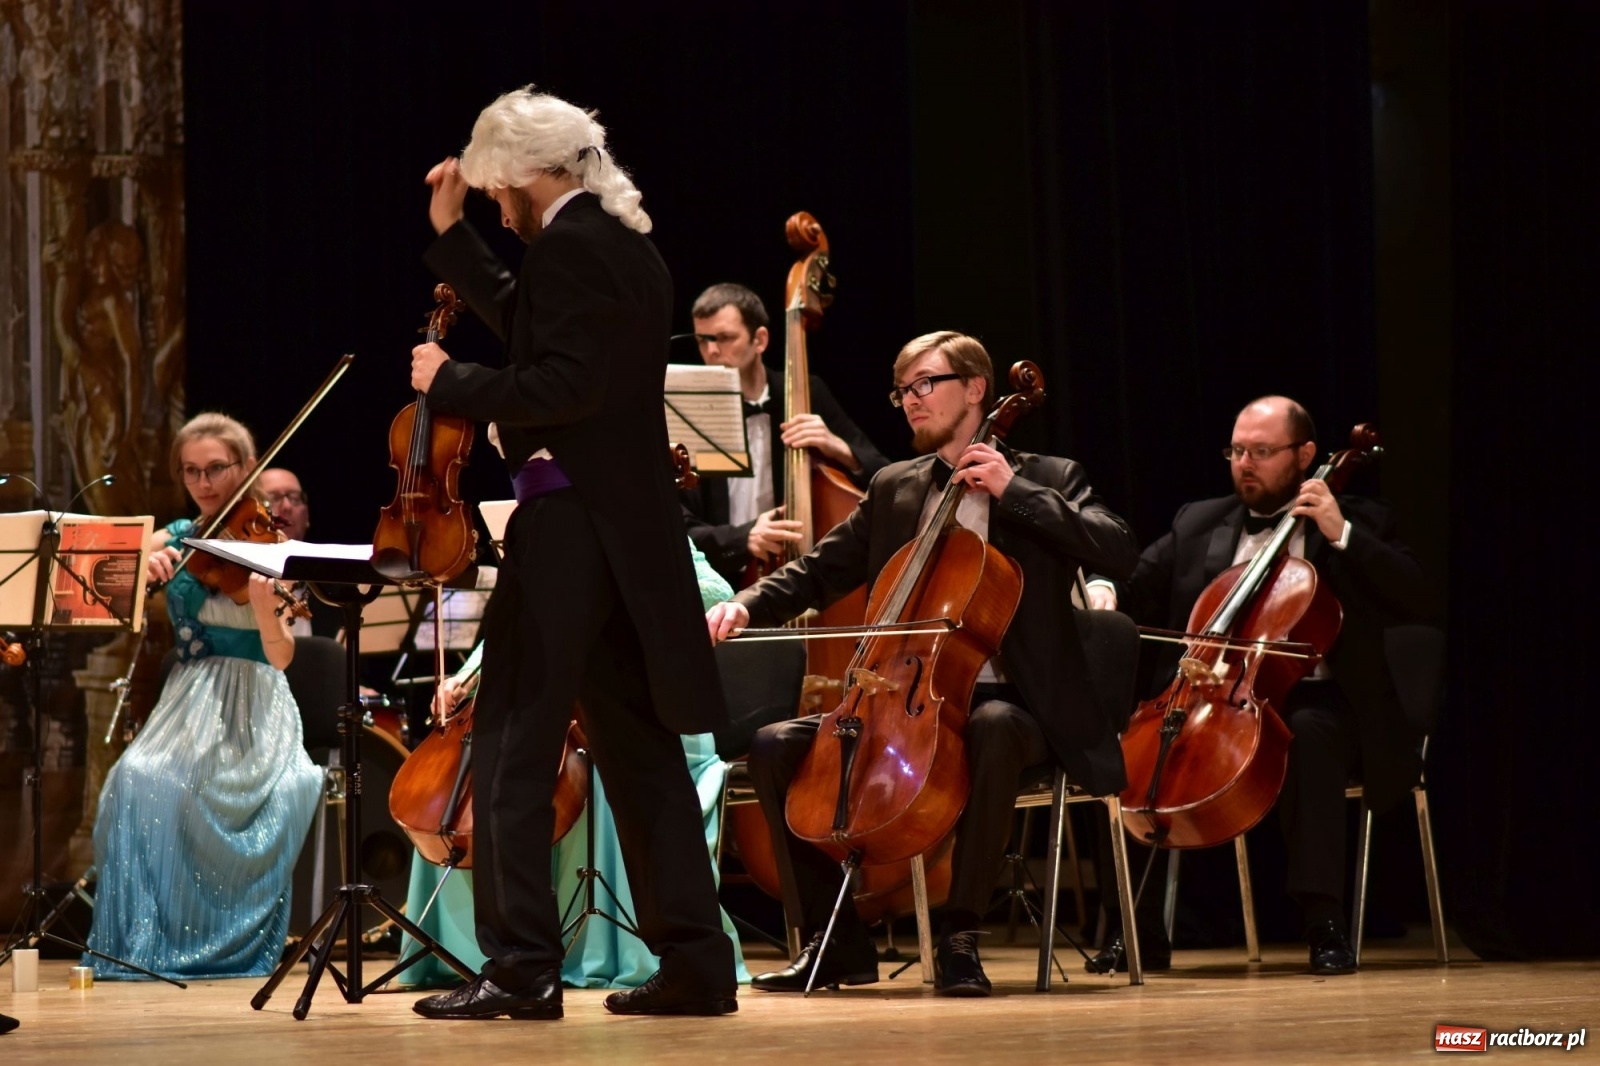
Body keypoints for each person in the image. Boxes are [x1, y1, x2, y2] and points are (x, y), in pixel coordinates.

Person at [409, 86, 736, 1021]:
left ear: (522, 171)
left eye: (491, 189)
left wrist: (453, 379)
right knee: (641, 751)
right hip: (624, 536)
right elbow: (531, 319)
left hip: (567, 528)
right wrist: (452, 236)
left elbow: (562, 381)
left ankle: (520, 968)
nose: (494, 204)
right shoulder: (613, 245)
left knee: (513, 738)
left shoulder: (573, 246)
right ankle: (696, 963)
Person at [706, 331, 1140, 996]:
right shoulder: (895, 487)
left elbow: (1118, 549)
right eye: (901, 390)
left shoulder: (1051, 476)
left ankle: (961, 936)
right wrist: (744, 604)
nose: (909, 401)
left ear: (974, 389)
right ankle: (838, 944)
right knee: (772, 747)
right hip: (902, 702)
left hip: (1021, 703)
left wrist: (1013, 490)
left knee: (992, 727)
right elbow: (819, 571)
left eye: (924, 385)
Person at [1085, 395, 1430, 975]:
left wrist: (1339, 530)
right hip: (1211, 696)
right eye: (1237, 451)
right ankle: (1136, 929)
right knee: (1133, 751)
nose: (1245, 463)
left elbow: (1417, 596)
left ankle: (1324, 924)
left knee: (1311, 737)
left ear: (1306, 455)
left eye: (1262, 452)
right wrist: (1102, 589)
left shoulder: (1360, 520)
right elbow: (1135, 582)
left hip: (1325, 701)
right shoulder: (1199, 521)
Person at [400, 536, 749, 989]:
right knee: (482, 773)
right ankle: (475, 952)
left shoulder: (646, 523)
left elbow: (718, 593)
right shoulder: (546, 532)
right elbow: (528, 621)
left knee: (591, 769)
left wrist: (616, 588)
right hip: (573, 706)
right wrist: (466, 676)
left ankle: (588, 951)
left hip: (641, 706)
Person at [85, 412, 323, 980]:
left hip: (255, 703)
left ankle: (223, 942)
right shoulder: (179, 534)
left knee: (264, 792)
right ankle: (150, 941)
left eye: (217, 468)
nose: (204, 483)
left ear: (246, 467)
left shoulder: (272, 545)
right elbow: (102, 587)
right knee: (135, 779)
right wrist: (143, 570)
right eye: (191, 471)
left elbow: (284, 656)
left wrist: (267, 611)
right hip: (187, 700)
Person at [680, 283, 888, 584]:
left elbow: (887, 478)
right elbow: (677, 521)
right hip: (723, 585)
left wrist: (839, 448)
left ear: (759, 339)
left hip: (805, 580)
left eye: (725, 338)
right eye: (703, 340)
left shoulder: (807, 394)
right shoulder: (694, 411)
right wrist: (743, 539)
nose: (711, 351)